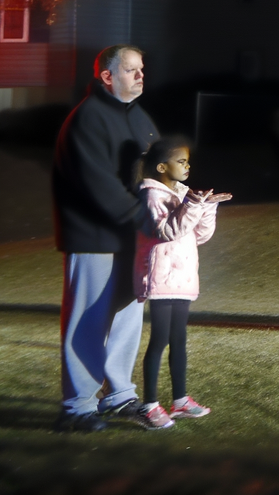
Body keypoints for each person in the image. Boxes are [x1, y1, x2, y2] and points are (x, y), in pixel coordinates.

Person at [52, 44, 158, 432]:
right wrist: (145, 218)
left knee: (127, 319)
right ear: (107, 76)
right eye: (131, 70)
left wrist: (177, 205)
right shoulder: (88, 119)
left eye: (142, 68)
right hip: (94, 237)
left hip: (132, 238)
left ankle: (118, 395)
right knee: (89, 321)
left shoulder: (140, 117)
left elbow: (156, 172)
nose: (140, 75)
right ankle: (77, 406)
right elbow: (97, 184)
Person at [133, 137, 232, 428]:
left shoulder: (184, 194)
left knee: (179, 340)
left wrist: (207, 207)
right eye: (181, 161)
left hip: (183, 278)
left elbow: (198, 236)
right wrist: (191, 205)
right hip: (162, 277)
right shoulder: (152, 195)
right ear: (162, 166)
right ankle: (149, 406)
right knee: (159, 341)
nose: (187, 166)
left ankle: (180, 402)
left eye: (188, 161)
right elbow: (166, 231)